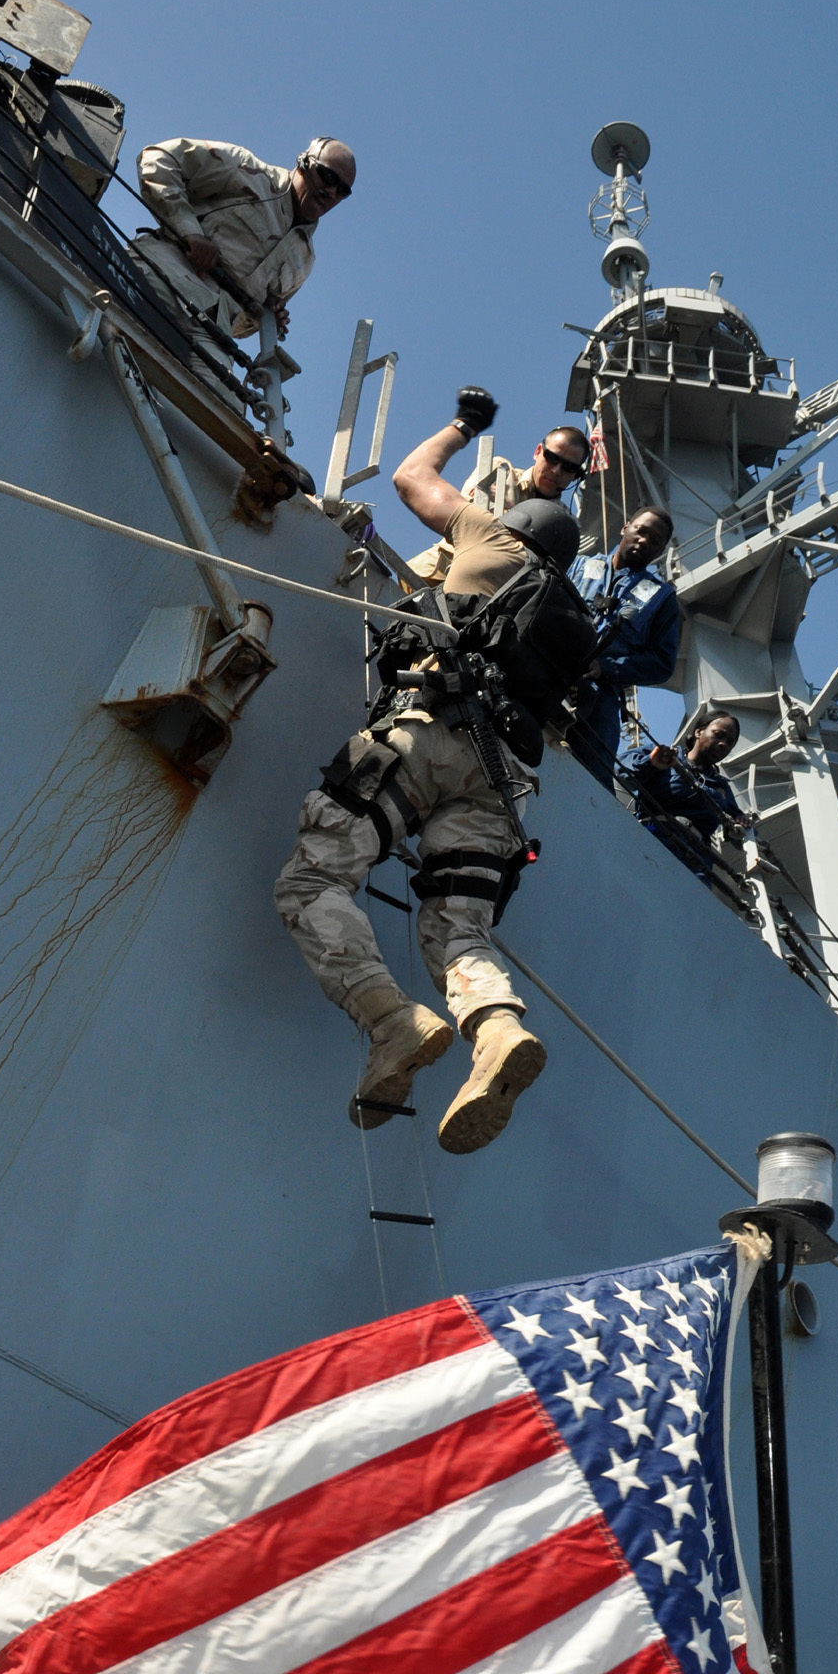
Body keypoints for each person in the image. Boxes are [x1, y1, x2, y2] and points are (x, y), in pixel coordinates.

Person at [274, 388, 598, 1155]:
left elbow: (411, 478)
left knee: (312, 880)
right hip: (501, 780)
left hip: (429, 736)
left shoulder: (487, 535)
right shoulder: (575, 622)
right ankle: (495, 1032)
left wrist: (462, 429)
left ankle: (391, 1023)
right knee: (460, 932)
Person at [133, 135, 356, 345]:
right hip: (163, 277)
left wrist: (263, 319)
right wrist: (189, 232)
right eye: (328, 177)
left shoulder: (303, 261)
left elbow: (239, 328)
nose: (331, 191)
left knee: (215, 386)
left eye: (343, 191)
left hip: (208, 333)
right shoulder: (248, 172)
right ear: (304, 163)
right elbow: (158, 159)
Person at [567, 509, 681, 789]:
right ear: (625, 527)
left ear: (660, 551)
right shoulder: (578, 565)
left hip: (599, 697)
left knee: (592, 780)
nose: (644, 541)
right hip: (550, 669)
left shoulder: (662, 598)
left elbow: (662, 663)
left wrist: (606, 668)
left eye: (655, 541)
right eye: (641, 531)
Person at [407, 426, 591, 584]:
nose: (556, 470)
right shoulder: (500, 471)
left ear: (576, 475)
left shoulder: (565, 524)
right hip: (435, 573)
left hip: (483, 601)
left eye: (568, 467)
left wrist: (510, 510)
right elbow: (471, 522)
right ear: (537, 452)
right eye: (551, 457)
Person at [622, 711, 747, 878]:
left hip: (697, 860)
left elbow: (738, 833)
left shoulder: (721, 787)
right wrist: (651, 763)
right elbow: (621, 768)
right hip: (653, 837)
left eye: (730, 742)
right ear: (698, 732)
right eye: (719, 735)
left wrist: (743, 824)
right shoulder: (664, 754)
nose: (723, 744)